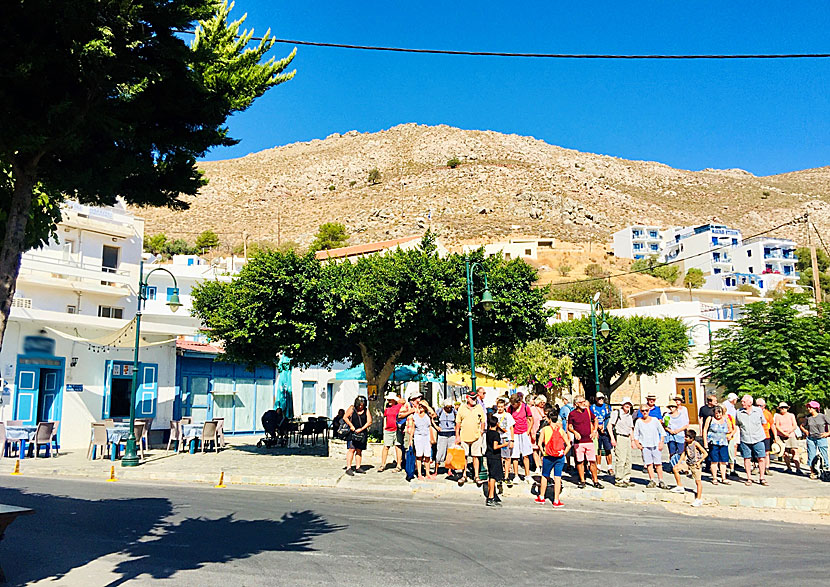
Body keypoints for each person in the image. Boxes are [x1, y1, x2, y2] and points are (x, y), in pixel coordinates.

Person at [535, 408, 570, 508]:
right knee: (558, 477)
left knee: (545, 475)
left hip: (548, 456)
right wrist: (563, 453)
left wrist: (543, 453)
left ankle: (541, 497)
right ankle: (556, 500)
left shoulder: (545, 429)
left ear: (549, 419)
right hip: (559, 456)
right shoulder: (561, 430)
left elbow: (539, 444)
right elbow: (568, 445)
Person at [568, 395, 603, 489]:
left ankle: (595, 480)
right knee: (580, 461)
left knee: (592, 461)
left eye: (584, 401)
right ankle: (582, 480)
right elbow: (569, 426)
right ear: (576, 404)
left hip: (589, 440)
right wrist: (574, 432)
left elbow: (595, 419)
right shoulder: (572, 414)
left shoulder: (587, 411)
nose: (583, 403)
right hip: (579, 442)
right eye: (581, 402)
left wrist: (595, 430)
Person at [735, 394, 768, 486]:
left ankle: (762, 477)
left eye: (744, 401)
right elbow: (737, 424)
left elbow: (764, 422)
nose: (742, 403)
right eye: (741, 401)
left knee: (761, 457)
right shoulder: (738, 412)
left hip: (758, 438)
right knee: (747, 458)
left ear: (750, 402)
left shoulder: (758, 411)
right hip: (745, 439)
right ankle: (749, 478)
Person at [455, 390, 487, 486]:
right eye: (472, 398)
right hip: (464, 436)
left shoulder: (479, 408)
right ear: (467, 398)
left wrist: (481, 431)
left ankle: (476, 476)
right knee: (463, 457)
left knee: (476, 456)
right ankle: (463, 475)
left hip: (476, 437)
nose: (474, 400)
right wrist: (457, 436)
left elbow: (483, 421)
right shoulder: (462, 408)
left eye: (475, 398)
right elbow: (458, 423)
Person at [633, 403, 668, 489]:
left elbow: (662, 432)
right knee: (649, 464)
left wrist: (661, 442)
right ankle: (652, 480)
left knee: (658, 464)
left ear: (649, 411)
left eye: (646, 410)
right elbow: (636, 434)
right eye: (643, 411)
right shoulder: (639, 422)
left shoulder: (655, 420)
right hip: (645, 445)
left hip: (655, 444)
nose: (645, 412)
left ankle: (661, 480)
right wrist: (637, 444)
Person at [674, 429, 708, 507]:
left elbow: (705, 453)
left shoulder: (696, 444)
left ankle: (698, 499)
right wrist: (679, 463)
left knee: (698, 481)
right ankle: (679, 486)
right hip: (688, 463)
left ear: (692, 438)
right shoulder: (685, 444)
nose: (685, 438)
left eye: (687, 437)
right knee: (675, 469)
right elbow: (684, 453)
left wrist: (699, 462)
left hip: (695, 465)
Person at [608, 397, 635, 487]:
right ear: (622, 404)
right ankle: (618, 479)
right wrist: (612, 438)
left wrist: (632, 440)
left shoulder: (629, 415)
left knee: (628, 460)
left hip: (627, 437)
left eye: (629, 404)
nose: (627, 406)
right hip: (620, 437)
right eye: (626, 404)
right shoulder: (617, 413)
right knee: (621, 459)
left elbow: (631, 429)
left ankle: (626, 478)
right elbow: (609, 426)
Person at [665, 397, 690, 493]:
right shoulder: (667, 415)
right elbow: (665, 425)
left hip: (679, 435)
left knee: (681, 452)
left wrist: (678, 430)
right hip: (671, 436)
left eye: (673, 407)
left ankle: (681, 467)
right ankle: (673, 467)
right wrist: (670, 430)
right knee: (672, 452)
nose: (671, 408)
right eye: (670, 407)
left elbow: (685, 425)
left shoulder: (681, 415)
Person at [702, 405, 732, 484]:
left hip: (723, 443)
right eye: (716, 413)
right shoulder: (710, 419)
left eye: (720, 413)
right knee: (714, 460)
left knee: (723, 461)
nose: (718, 415)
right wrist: (705, 442)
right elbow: (705, 430)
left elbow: (731, 429)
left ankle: (723, 477)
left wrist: (730, 435)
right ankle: (714, 477)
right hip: (713, 442)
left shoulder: (726, 419)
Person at [508, 393, 534, 482]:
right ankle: (516, 475)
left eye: (514, 404)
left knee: (526, 455)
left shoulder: (525, 407)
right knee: (515, 456)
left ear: (518, 402)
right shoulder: (510, 409)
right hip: (514, 433)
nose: (513, 406)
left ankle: (527, 475)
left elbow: (531, 419)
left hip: (523, 432)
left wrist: (528, 431)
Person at [801, 400, 830, 480]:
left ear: (815, 408)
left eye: (810, 407)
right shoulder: (808, 417)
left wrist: (827, 433)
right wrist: (806, 431)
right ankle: (813, 472)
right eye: (808, 407)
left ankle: (826, 472)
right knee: (811, 456)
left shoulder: (822, 416)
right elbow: (802, 426)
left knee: (824, 455)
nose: (809, 409)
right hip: (811, 438)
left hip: (821, 438)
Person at [343, 396, 372, 475]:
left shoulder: (366, 410)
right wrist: (351, 426)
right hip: (352, 432)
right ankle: (349, 467)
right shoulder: (352, 409)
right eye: (359, 405)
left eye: (362, 405)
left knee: (359, 450)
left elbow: (369, 422)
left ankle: (358, 467)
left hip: (362, 433)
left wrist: (361, 429)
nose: (360, 407)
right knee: (351, 449)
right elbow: (345, 417)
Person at [407, 400, 435, 480]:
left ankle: (427, 473)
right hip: (418, 436)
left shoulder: (428, 415)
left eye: (422, 406)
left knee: (427, 456)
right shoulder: (415, 416)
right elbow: (413, 428)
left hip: (426, 436)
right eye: (419, 405)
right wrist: (410, 439)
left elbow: (433, 414)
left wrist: (426, 406)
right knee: (419, 455)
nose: (421, 407)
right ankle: (419, 473)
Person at [773, 402, 801, 474]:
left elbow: (794, 425)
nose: (783, 409)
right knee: (785, 452)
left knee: (795, 451)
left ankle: (798, 468)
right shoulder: (778, 416)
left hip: (791, 435)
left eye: (784, 408)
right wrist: (783, 433)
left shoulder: (791, 415)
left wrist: (789, 432)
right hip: (782, 435)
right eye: (781, 408)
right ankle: (789, 467)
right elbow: (777, 426)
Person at [485, 415, 507, 507]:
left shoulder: (488, 433)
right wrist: (504, 444)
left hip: (489, 455)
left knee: (490, 476)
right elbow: (495, 446)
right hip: (495, 456)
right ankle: (491, 497)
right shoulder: (496, 435)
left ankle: (492, 495)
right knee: (493, 476)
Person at [591, 392, 614, 477]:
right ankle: (599, 466)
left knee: (608, 449)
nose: (601, 400)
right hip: (596, 430)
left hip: (605, 430)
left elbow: (609, 418)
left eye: (602, 398)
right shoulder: (592, 408)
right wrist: (595, 429)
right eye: (599, 398)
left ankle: (610, 467)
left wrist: (604, 426)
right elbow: (591, 419)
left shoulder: (607, 407)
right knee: (598, 449)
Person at [494, 398, 515, 487]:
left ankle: (506, 476)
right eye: (498, 407)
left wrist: (512, 440)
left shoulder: (508, 416)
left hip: (506, 438)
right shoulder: (495, 416)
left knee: (507, 458)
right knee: (499, 458)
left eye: (501, 407)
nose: (500, 408)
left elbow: (511, 428)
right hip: (498, 438)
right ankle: (499, 476)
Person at [379, 393, 403, 472]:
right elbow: (385, 417)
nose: (388, 401)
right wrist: (384, 427)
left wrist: (398, 400)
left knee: (398, 446)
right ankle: (383, 464)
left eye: (390, 400)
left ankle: (399, 465)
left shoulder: (399, 406)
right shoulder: (387, 408)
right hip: (388, 429)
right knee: (386, 447)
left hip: (397, 429)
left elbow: (404, 401)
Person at [435, 398, 457, 476]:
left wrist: (456, 427)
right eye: (447, 407)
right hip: (442, 434)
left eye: (450, 407)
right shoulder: (440, 411)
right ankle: (436, 470)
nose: (449, 409)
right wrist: (436, 427)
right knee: (440, 452)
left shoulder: (454, 411)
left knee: (450, 452)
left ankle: (449, 469)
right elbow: (432, 418)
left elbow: (458, 420)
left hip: (451, 434)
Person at [756, 398, 777, 477]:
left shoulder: (767, 413)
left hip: (766, 435)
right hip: (756, 435)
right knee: (756, 452)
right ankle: (756, 466)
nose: (759, 407)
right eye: (757, 405)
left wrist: (775, 436)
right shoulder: (754, 412)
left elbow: (772, 425)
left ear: (764, 406)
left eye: (760, 406)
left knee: (766, 452)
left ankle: (767, 468)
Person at [698, 394, 718, 470]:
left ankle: (715, 464)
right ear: (709, 401)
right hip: (706, 430)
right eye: (714, 401)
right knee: (706, 447)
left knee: (714, 448)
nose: (716, 402)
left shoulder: (716, 409)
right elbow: (701, 420)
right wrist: (701, 430)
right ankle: (707, 465)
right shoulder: (703, 409)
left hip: (714, 430)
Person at [529, 395, 547, 471]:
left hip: (543, 432)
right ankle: (537, 466)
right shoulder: (532, 409)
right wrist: (532, 432)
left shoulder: (544, 409)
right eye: (541, 402)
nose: (543, 404)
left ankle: (543, 466)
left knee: (543, 449)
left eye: (544, 402)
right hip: (535, 430)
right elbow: (530, 421)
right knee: (535, 449)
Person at [724, 392, 740, 477]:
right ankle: (729, 465)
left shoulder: (731, 406)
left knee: (734, 446)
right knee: (731, 448)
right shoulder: (727, 406)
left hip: (733, 428)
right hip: (729, 430)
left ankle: (732, 464)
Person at [559, 395, 576, 473]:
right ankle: (576, 463)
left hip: (566, 430)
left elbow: (565, 419)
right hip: (574, 429)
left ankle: (568, 464)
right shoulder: (574, 407)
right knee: (575, 448)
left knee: (567, 446)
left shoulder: (564, 408)